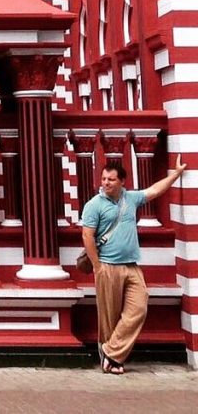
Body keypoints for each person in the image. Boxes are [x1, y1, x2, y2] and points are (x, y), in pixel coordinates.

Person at [81, 154, 187, 374]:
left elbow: (155, 191)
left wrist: (175, 174)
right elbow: (87, 236)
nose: (106, 183)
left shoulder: (131, 198)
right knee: (110, 316)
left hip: (131, 265)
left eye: (111, 179)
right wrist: (98, 266)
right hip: (107, 266)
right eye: (103, 179)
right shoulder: (94, 205)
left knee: (138, 307)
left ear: (122, 182)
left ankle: (111, 352)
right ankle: (114, 361)